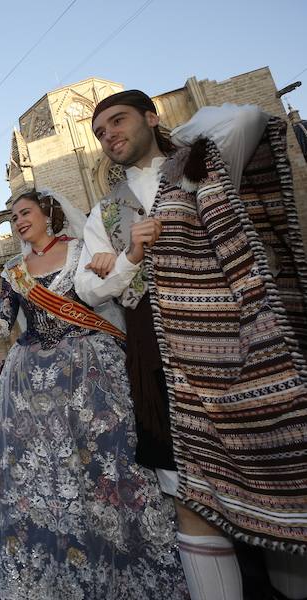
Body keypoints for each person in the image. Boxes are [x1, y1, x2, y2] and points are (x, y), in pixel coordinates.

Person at [75, 90, 307, 599]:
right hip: (155, 356)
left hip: (231, 346)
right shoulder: (104, 212)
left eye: (118, 121)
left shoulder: (201, 164)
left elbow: (245, 116)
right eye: (98, 132)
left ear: (151, 117)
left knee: (268, 476)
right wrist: (131, 254)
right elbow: (89, 287)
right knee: (186, 492)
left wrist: (182, 144)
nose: (108, 135)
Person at [0, 189, 187, 598]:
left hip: (86, 369)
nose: (19, 221)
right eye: (14, 217)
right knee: (40, 471)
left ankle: (120, 560)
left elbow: (103, 289)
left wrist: (111, 262)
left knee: (104, 461)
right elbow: (1, 325)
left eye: (25, 212)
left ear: (47, 214)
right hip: (31, 378)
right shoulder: (13, 270)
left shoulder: (81, 250)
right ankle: (57, 566)